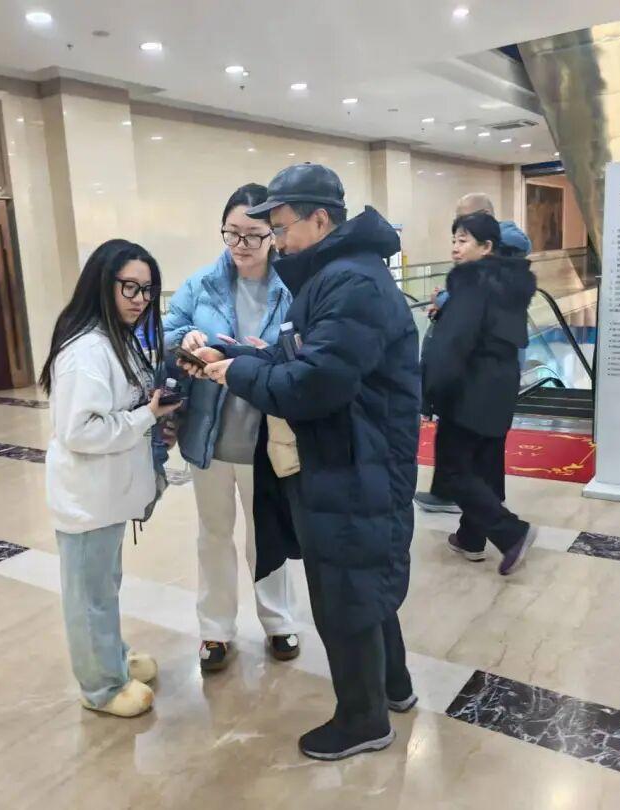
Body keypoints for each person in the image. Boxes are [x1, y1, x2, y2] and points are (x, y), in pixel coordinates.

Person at [181, 163, 420, 761]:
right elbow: (299, 357)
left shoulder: (351, 283)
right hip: (347, 455)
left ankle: (364, 720)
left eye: (282, 227)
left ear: (320, 219)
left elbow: (315, 384)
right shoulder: (335, 276)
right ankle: (393, 687)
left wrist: (236, 373)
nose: (277, 241)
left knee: (346, 593)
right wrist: (235, 353)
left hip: (356, 458)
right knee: (362, 581)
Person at [40, 239, 181, 718]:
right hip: (87, 499)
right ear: (104, 284)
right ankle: (100, 686)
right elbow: (80, 431)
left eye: (147, 289)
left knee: (103, 587)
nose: (140, 299)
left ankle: (112, 658)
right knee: (90, 597)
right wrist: (146, 417)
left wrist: (154, 416)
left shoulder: (115, 338)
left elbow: (126, 406)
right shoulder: (87, 350)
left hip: (108, 495)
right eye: (130, 288)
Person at [163, 183, 299, 673]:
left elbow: (304, 350)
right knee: (213, 535)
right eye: (232, 233)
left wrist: (262, 356)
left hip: (268, 438)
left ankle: (278, 621)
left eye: (254, 235)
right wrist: (186, 338)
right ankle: (215, 629)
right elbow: (167, 331)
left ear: (273, 234)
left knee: (268, 535)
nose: (241, 244)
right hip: (210, 434)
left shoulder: (291, 286)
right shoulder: (201, 284)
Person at [422, 213, 539, 573]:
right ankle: (470, 538)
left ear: (487, 246)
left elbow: (453, 344)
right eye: (454, 240)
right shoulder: (509, 284)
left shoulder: (471, 285)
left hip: (468, 389)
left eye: (463, 240)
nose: (455, 248)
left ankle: (511, 533)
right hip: (500, 386)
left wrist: (429, 391)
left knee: (453, 470)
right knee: (484, 467)